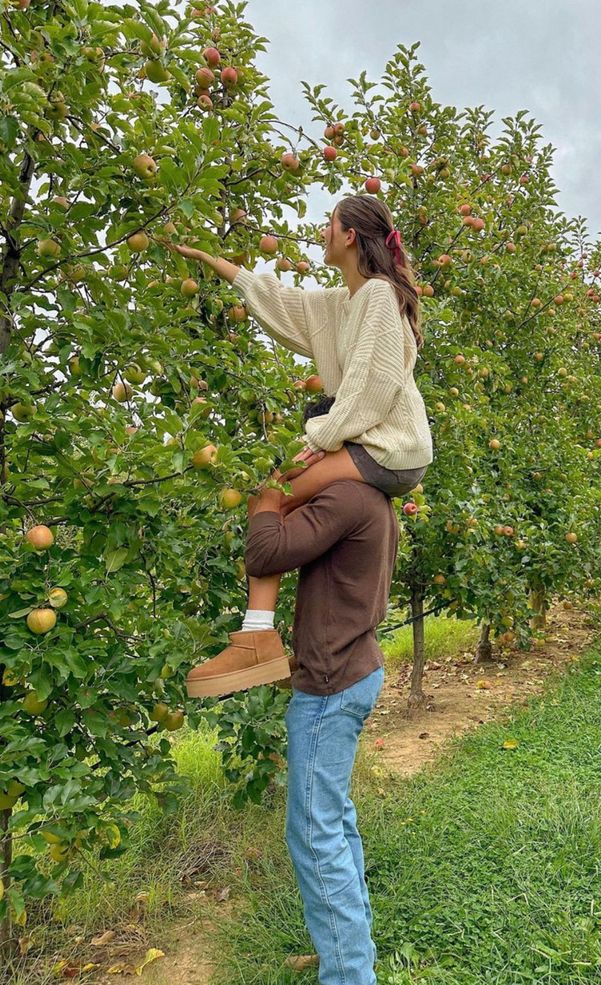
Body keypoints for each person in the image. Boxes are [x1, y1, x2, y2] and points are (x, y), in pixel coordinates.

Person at [161, 193, 433, 698]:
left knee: (272, 494)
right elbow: (281, 301)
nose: (322, 231)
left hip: (388, 448)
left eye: (330, 223)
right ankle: (257, 638)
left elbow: (373, 384)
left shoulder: (377, 294)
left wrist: (321, 439)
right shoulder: (341, 302)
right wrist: (211, 261)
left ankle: (257, 639)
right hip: (366, 443)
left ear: (349, 235)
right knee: (273, 494)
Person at [238, 390, 405, 982]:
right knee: (333, 819)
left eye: (303, 450)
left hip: (333, 685)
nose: (300, 460)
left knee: (313, 832)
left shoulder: (345, 496)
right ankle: (344, 949)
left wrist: (266, 497)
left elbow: (264, 550)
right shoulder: (372, 498)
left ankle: (349, 972)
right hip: (351, 670)